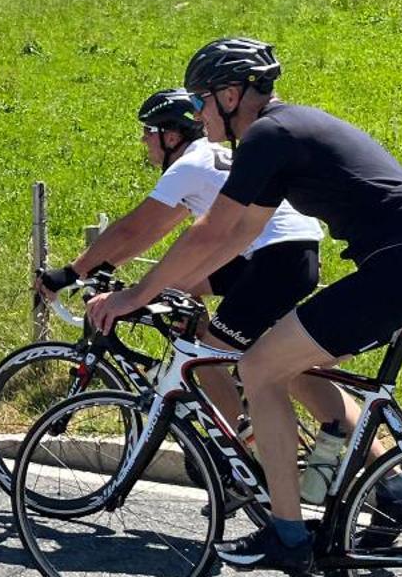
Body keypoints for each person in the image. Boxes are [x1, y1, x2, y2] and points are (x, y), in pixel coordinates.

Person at [86, 39, 402, 573]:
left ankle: (287, 534)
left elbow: (210, 232)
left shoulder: (269, 135)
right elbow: (238, 235)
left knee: (258, 367)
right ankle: (398, 490)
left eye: (200, 100)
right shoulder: (279, 134)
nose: (196, 114)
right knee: (285, 363)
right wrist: (170, 287)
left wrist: (134, 295)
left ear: (231, 93)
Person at [35, 89, 352, 440]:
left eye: (148, 131)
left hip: (272, 258)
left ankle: (241, 449)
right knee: (180, 293)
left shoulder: (189, 165)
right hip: (281, 254)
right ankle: (385, 475)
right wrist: (103, 269)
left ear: (171, 136)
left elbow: (134, 227)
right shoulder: (211, 159)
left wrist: (70, 273)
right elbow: (151, 234)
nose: (143, 140)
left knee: (206, 358)